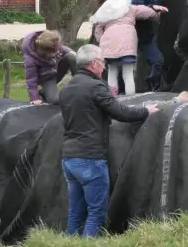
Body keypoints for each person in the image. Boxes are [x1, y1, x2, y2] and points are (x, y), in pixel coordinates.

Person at [59, 44, 159, 237]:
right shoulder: (95, 86)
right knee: (96, 213)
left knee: (76, 213)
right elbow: (120, 112)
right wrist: (146, 111)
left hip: (69, 158)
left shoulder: (67, 88)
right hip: (90, 158)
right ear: (93, 63)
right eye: (103, 62)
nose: (104, 66)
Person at [90, 0, 157, 96]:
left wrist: (102, 41)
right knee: (128, 74)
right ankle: (131, 98)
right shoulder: (127, 7)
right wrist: (155, 14)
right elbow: (144, 10)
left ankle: (114, 98)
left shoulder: (102, 12)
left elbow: (97, 30)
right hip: (128, 44)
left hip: (109, 45)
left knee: (112, 72)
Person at [125, 0, 169, 90]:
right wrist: (152, 8)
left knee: (158, 61)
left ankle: (152, 85)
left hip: (147, 36)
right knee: (126, 68)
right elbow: (137, 9)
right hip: (134, 35)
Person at [22, 29, 77, 105]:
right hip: (47, 78)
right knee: (56, 100)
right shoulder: (30, 60)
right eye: (55, 52)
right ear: (45, 52)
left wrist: (70, 51)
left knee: (71, 56)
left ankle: (82, 83)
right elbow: (31, 79)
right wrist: (35, 98)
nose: (58, 52)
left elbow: (60, 48)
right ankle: (43, 92)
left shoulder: (50, 42)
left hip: (57, 69)